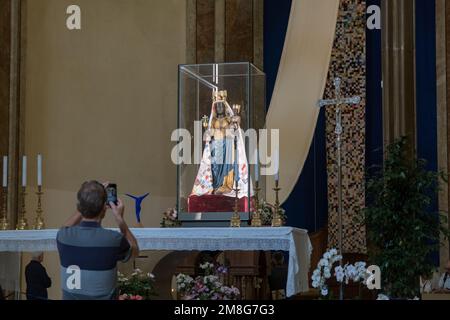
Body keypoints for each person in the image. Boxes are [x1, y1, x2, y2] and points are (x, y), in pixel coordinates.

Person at [57, 181, 139, 300]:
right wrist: (120, 220)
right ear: (104, 209)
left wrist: (88, 199)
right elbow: (135, 251)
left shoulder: (63, 236)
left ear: (79, 207)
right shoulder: (113, 240)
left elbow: (65, 227)